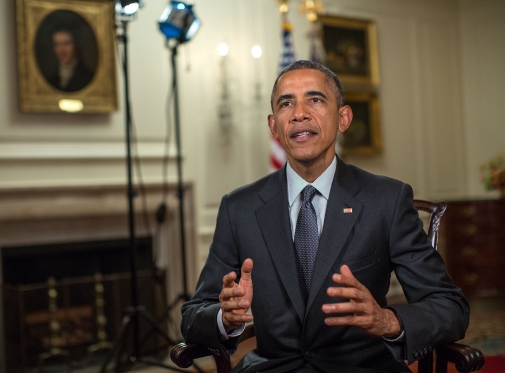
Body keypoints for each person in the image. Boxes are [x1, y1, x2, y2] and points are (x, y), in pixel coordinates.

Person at [181, 60, 469, 373]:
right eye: (286, 103)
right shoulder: (239, 207)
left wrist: (388, 320)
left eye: (315, 100)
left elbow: (451, 308)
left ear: (343, 118)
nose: (299, 113)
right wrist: (226, 317)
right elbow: (193, 316)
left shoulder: (386, 200)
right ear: (274, 125)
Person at [46, 27, 94, 92]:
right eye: (57, 44)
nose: (61, 50)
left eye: (66, 43)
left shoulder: (89, 78)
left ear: (76, 45)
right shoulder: (49, 79)